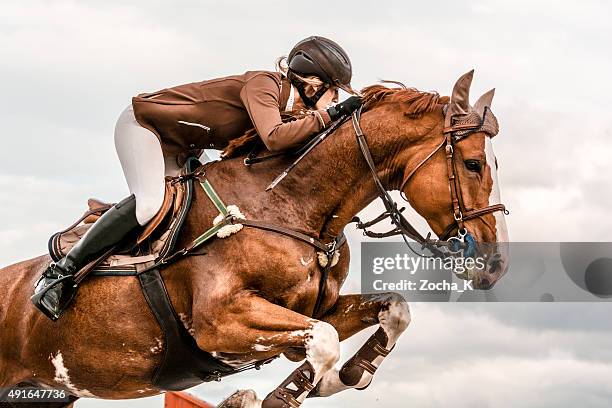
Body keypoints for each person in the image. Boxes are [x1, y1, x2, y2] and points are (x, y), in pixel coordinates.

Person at [31, 36, 363, 321]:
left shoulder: (293, 111)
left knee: (199, 211)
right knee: (150, 205)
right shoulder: (265, 85)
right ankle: (59, 274)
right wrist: (331, 114)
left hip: (183, 146)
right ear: (314, 83)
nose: (335, 101)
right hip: (146, 128)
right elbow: (276, 137)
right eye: (335, 93)